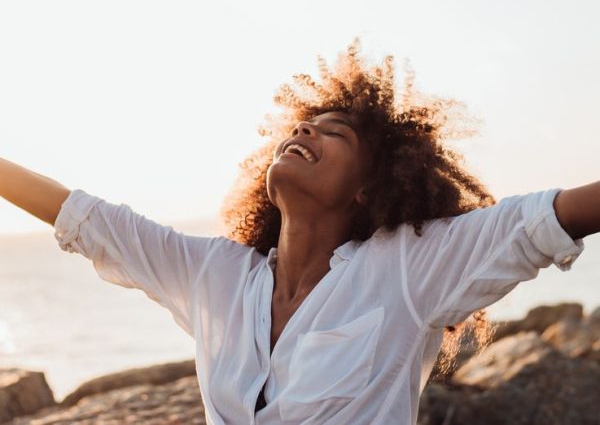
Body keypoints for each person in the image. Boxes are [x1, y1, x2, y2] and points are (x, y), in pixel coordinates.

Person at [1, 39, 598, 425]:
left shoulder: (408, 269)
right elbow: (83, 217)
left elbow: (548, 219)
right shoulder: (215, 275)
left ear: (370, 189)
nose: (307, 130)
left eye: (333, 133)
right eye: (305, 123)